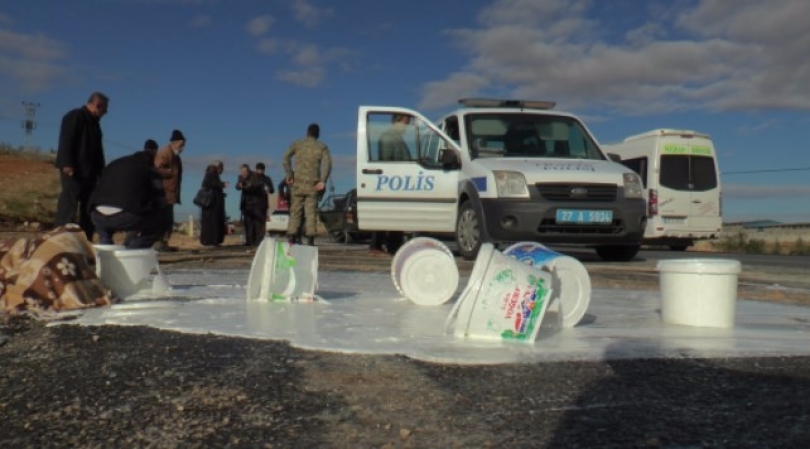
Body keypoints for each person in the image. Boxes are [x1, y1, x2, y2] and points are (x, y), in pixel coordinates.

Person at [88, 139, 173, 249]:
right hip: (124, 216)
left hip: (96, 215)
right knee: (163, 218)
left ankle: (105, 250)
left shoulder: (114, 164)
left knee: (105, 230)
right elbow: (161, 200)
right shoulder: (148, 169)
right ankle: (134, 249)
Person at [54, 92, 110, 241]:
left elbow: (98, 150)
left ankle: (85, 241)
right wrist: (66, 162)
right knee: (69, 205)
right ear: (98, 105)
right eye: (104, 109)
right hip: (73, 170)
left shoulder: (95, 124)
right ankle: (60, 239)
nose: (106, 112)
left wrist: (102, 173)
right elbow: (67, 139)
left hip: (90, 173)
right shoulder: (75, 116)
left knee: (89, 207)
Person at [282, 123, 332, 246]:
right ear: (318, 134)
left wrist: (289, 174)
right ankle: (310, 240)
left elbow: (285, 158)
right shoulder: (322, 147)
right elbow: (327, 164)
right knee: (311, 213)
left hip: (298, 184)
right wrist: (322, 181)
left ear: (307, 132)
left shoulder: (297, 144)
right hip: (313, 185)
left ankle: (292, 237)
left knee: (295, 211)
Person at [369, 114, 411, 256]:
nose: (406, 127)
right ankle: (378, 245)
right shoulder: (388, 137)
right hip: (392, 182)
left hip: (398, 182)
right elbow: (387, 163)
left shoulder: (397, 139)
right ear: (397, 121)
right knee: (386, 214)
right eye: (405, 123)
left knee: (395, 215)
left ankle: (393, 245)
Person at [154, 129, 186, 252]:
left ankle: (164, 242)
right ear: (175, 142)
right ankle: (158, 242)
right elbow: (157, 169)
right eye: (181, 144)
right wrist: (170, 172)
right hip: (164, 192)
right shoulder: (164, 153)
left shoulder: (175, 156)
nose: (183, 147)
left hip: (171, 192)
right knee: (162, 218)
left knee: (168, 219)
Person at [235, 164, 267, 247]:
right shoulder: (240, 177)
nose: (243, 173)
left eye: (245, 171)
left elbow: (259, 184)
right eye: (242, 172)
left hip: (257, 203)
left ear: (248, 170)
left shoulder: (255, 176)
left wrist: (250, 185)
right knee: (248, 223)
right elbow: (237, 186)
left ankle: (258, 242)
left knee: (258, 223)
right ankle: (249, 241)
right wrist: (240, 185)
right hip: (246, 203)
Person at [199, 161, 229, 246]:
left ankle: (212, 240)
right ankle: (212, 240)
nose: (222, 171)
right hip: (212, 204)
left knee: (212, 221)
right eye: (222, 168)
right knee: (213, 222)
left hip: (211, 203)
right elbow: (213, 185)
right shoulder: (211, 175)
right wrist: (222, 184)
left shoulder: (211, 175)